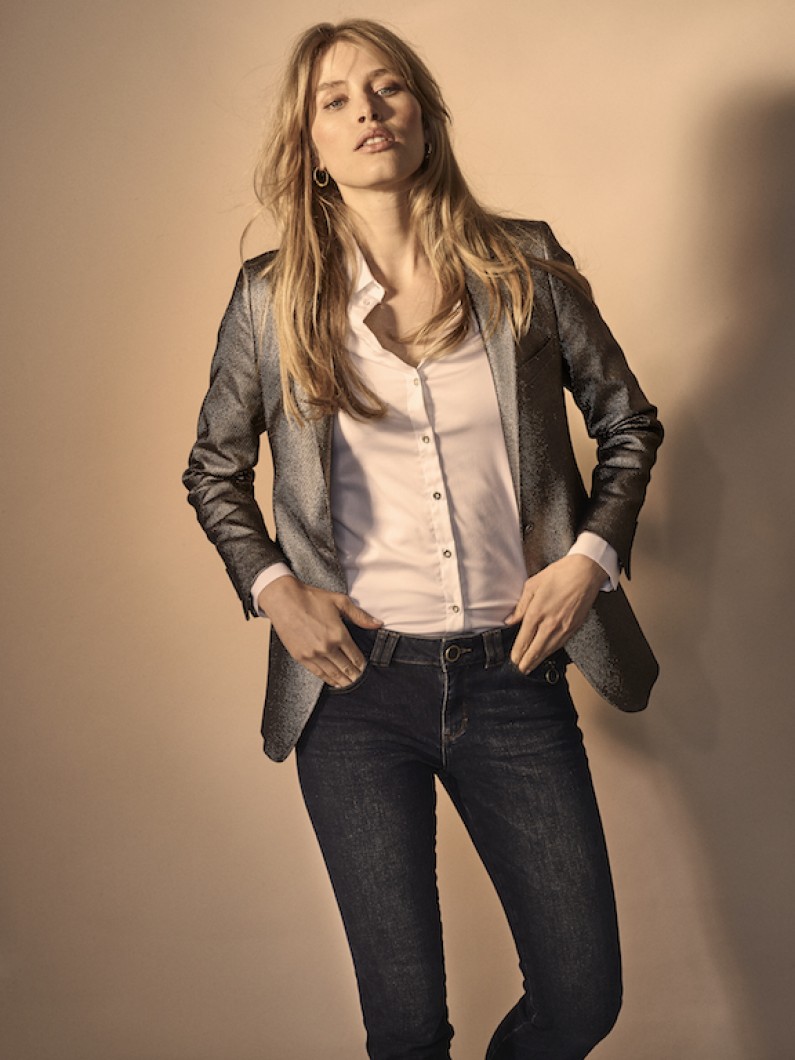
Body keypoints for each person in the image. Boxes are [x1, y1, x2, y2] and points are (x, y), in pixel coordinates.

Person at [184, 18, 663, 1059]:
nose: (367, 111)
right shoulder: (270, 296)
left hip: (514, 677)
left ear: (424, 116)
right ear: (310, 142)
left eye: (387, 88)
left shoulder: (523, 263)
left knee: (581, 997)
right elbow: (212, 470)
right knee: (404, 1029)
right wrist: (275, 589)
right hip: (354, 691)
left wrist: (587, 562)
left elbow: (627, 424)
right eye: (336, 99)